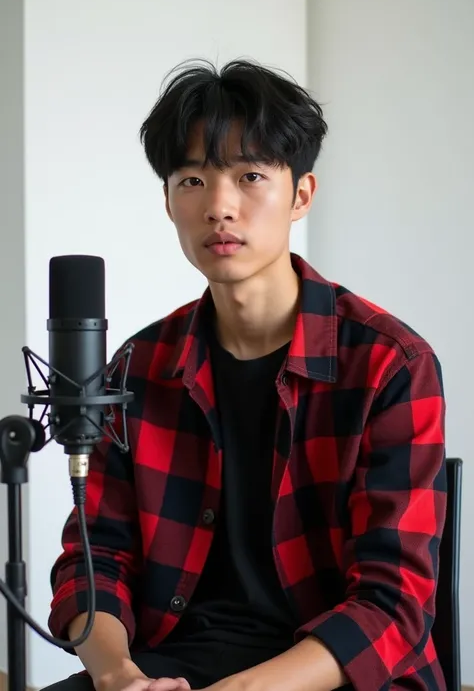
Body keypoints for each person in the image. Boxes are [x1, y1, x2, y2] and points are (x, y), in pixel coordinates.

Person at [44, 59, 447, 691]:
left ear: (302, 195)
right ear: (170, 200)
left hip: (330, 674)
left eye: (250, 175)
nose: (218, 207)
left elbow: (393, 601)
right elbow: (94, 561)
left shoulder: (389, 363)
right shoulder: (136, 366)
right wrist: (119, 676)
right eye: (193, 180)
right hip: (174, 666)